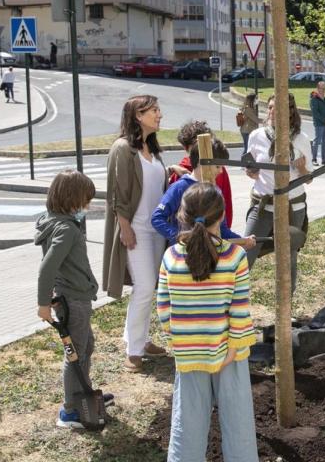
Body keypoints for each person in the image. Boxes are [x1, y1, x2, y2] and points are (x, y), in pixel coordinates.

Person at [157, 183, 259, 462]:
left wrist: (180, 340)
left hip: (189, 352)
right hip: (230, 352)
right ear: (222, 216)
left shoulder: (171, 257)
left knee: (187, 423)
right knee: (238, 423)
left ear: (182, 215)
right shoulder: (235, 257)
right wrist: (233, 348)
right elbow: (239, 310)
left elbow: (163, 308)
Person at [35, 170, 112, 429]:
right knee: (75, 355)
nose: (87, 207)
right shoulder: (66, 229)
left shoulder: (54, 221)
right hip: (73, 300)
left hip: (74, 297)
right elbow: (47, 267)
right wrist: (43, 304)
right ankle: (70, 411)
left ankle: (83, 394)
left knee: (85, 347)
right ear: (71, 200)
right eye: (85, 201)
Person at [103, 95, 170, 373]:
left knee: (149, 287)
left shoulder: (152, 151)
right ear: (138, 115)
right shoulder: (123, 148)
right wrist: (125, 227)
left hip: (156, 231)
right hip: (137, 230)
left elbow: (153, 183)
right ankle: (133, 350)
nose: (159, 114)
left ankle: (140, 338)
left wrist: (173, 170)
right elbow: (117, 192)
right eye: (154, 110)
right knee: (143, 287)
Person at [243, 94, 312, 293]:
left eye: (277, 107)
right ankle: (233, 301)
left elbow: (309, 178)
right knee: (246, 252)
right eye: (270, 107)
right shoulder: (257, 136)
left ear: (289, 112)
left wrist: (302, 169)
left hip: (293, 206)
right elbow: (250, 166)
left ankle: (286, 305)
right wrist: (251, 171)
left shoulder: (301, 139)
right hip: (263, 204)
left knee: (289, 257)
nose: (272, 111)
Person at [153, 142, 256, 250]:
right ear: (201, 163)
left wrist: (242, 240)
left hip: (210, 253)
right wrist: (180, 236)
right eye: (218, 166)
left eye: (223, 167)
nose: (221, 171)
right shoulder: (179, 187)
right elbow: (157, 218)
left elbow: (223, 229)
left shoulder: (215, 190)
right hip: (184, 253)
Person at [169, 120, 234, 230]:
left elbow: (226, 204)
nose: (203, 152)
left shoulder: (220, 170)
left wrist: (225, 232)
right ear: (186, 148)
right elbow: (171, 212)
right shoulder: (180, 175)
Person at [309, 80, 325, 165]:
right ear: (318, 88)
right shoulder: (314, 99)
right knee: (317, 141)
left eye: (324, 88)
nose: (323, 90)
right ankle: (313, 159)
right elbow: (315, 113)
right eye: (321, 88)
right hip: (319, 124)